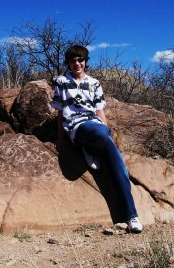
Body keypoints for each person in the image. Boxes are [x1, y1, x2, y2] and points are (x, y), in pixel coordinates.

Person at [52, 45, 143, 233]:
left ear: (85, 62)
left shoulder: (94, 83)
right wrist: (60, 137)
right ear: (68, 63)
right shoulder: (61, 81)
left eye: (80, 60)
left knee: (120, 169)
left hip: (95, 125)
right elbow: (60, 112)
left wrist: (107, 131)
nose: (77, 63)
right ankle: (90, 149)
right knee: (100, 134)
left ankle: (132, 216)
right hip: (76, 126)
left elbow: (99, 110)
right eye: (72, 61)